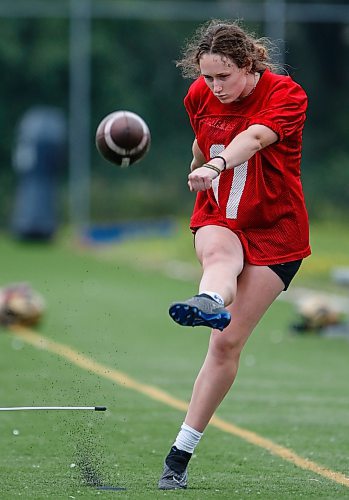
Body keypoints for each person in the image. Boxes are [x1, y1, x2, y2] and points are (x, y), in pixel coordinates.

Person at [158, 19, 311, 490]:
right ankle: (209, 301)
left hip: (277, 230)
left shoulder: (287, 94)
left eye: (224, 77)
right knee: (219, 260)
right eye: (207, 77)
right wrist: (200, 162)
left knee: (225, 344)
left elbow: (255, 139)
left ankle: (180, 455)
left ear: (249, 66)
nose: (214, 87)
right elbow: (202, 140)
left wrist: (216, 163)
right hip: (220, 211)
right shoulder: (198, 97)